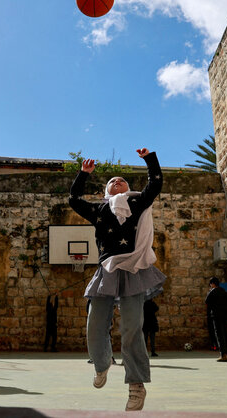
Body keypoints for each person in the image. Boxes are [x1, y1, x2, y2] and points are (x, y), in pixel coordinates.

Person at [69, 148, 165, 411]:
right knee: (95, 323)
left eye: (121, 180)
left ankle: (136, 386)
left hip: (134, 269)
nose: (117, 182)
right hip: (108, 270)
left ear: (128, 187)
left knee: (132, 328)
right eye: (111, 181)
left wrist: (149, 159)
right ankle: (102, 365)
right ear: (105, 190)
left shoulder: (137, 203)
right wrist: (82, 174)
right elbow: (74, 199)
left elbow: (155, 182)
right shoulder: (99, 209)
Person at [205, 276, 227, 362]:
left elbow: (206, 302)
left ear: (212, 284)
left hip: (216, 316)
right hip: (225, 317)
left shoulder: (212, 292)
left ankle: (223, 355)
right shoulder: (225, 292)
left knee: (219, 335)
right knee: (225, 335)